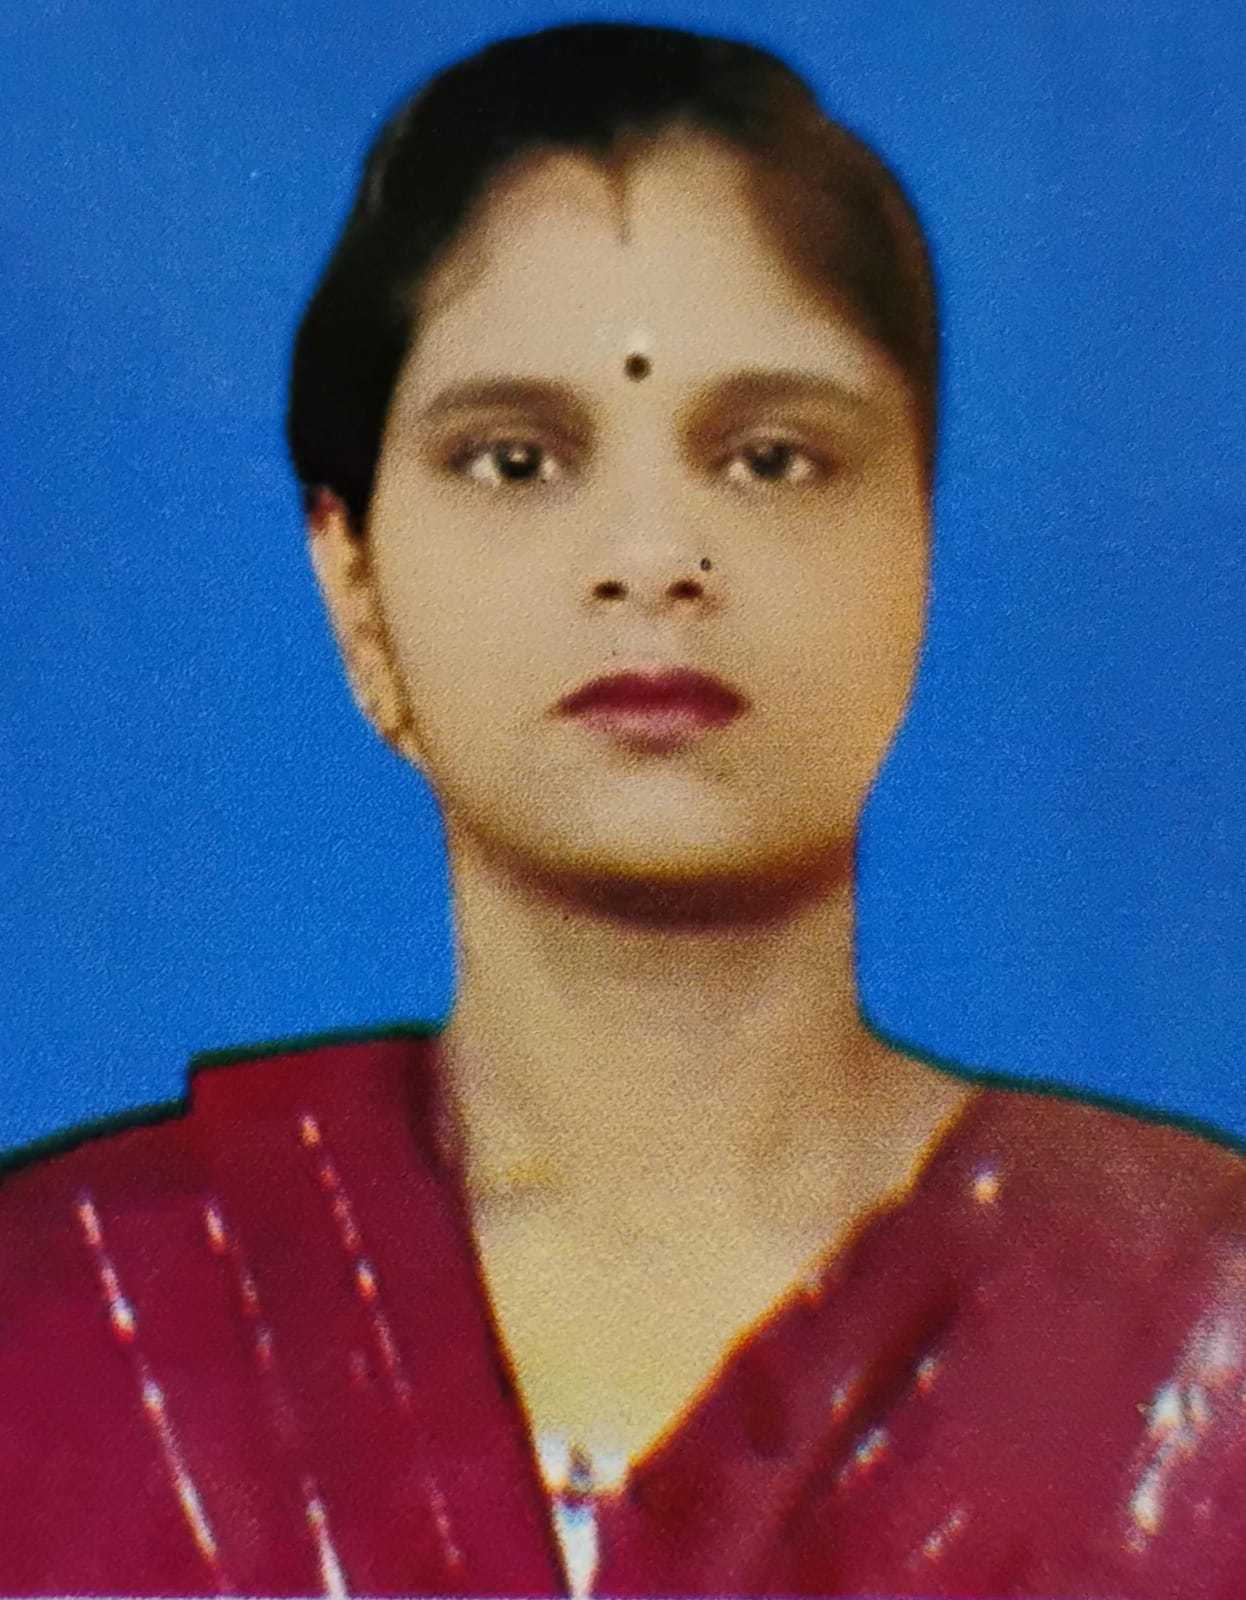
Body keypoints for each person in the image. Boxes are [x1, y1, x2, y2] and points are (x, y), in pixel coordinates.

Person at [1, 20, 1244, 1598]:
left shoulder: (1195, 1334)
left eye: (771, 459)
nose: (653, 558)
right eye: (516, 460)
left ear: (916, 547)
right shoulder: (68, 1329)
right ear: (354, 584)